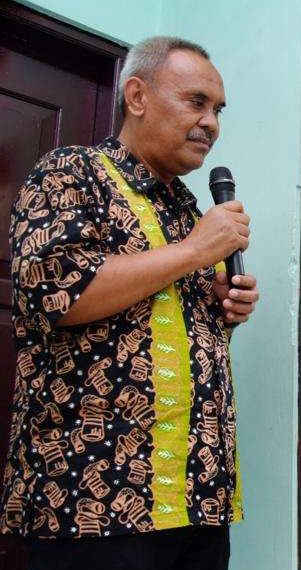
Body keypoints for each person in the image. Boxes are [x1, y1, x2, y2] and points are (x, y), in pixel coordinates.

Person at [2, 37, 260, 570]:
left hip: (198, 499)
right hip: (93, 502)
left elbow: (158, 334)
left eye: (217, 110)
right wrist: (194, 251)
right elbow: (58, 292)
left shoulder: (189, 211)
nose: (211, 123)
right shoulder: (72, 173)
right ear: (137, 96)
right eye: (195, 102)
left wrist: (223, 309)